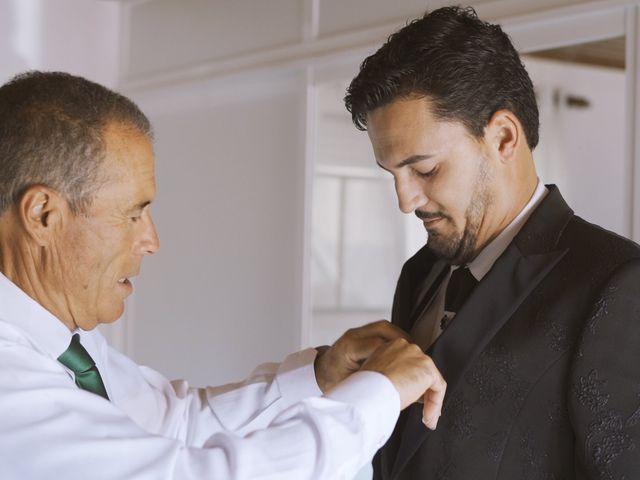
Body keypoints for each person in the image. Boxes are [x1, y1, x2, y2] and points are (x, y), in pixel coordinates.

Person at [0, 71, 447, 479]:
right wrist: (376, 395)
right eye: (133, 214)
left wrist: (319, 377)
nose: (151, 240)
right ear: (43, 215)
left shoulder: (64, 345)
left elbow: (175, 424)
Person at [344, 5, 640, 479]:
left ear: (503, 137)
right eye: (393, 174)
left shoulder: (619, 285)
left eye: (424, 169)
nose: (405, 200)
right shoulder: (418, 274)